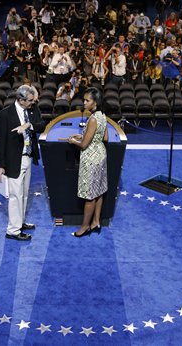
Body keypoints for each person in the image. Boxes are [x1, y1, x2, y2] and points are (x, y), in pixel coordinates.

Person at [0, 85, 45, 241]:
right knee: (15, 196)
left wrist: (29, 125)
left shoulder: (32, 109)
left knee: (23, 193)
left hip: (28, 157)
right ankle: (13, 230)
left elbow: (41, 125)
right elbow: (1, 141)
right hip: (13, 159)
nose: (33, 102)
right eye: (30, 100)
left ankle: (20, 222)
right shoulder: (5, 114)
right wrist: (1, 165)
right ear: (21, 100)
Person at [67, 87, 108, 237]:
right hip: (101, 156)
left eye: (87, 100)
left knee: (90, 195)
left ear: (95, 102)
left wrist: (73, 141)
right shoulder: (102, 115)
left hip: (90, 159)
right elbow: (105, 138)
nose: (84, 103)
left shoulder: (92, 119)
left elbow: (84, 145)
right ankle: (96, 222)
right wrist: (83, 135)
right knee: (98, 191)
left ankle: (84, 227)